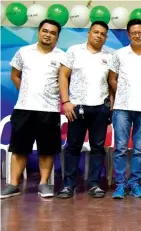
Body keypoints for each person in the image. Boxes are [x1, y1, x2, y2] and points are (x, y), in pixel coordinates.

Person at [0, 19, 65, 199]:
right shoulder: (24, 52)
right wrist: (27, 92)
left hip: (50, 110)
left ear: (57, 37)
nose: (48, 35)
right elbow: (15, 75)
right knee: (19, 148)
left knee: (47, 148)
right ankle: (13, 185)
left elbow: (65, 82)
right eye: (45, 31)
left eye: (53, 33)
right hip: (24, 108)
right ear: (39, 32)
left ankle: (44, 184)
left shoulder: (62, 56)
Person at [57, 21, 112, 199]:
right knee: (73, 147)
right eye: (95, 32)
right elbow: (63, 75)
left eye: (103, 34)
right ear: (88, 33)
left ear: (106, 37)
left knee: (98, 147)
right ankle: (68, 185)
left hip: (100, 109)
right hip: (76, 108)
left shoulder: (110, 55)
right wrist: (65, 101)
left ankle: (94, 184)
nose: (99, 36)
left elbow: (112, 82)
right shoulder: (74, 51)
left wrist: (110, 104)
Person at [107, 19, 141, 199]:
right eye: (133, 33)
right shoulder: (119, 54)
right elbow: (112, 79)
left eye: (140, 32)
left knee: (139, 149)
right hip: (122, 108)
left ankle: (135, 184)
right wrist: (123, 93)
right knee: (120, 148)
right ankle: (120, 184)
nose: (137, 35)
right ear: (128, 34)